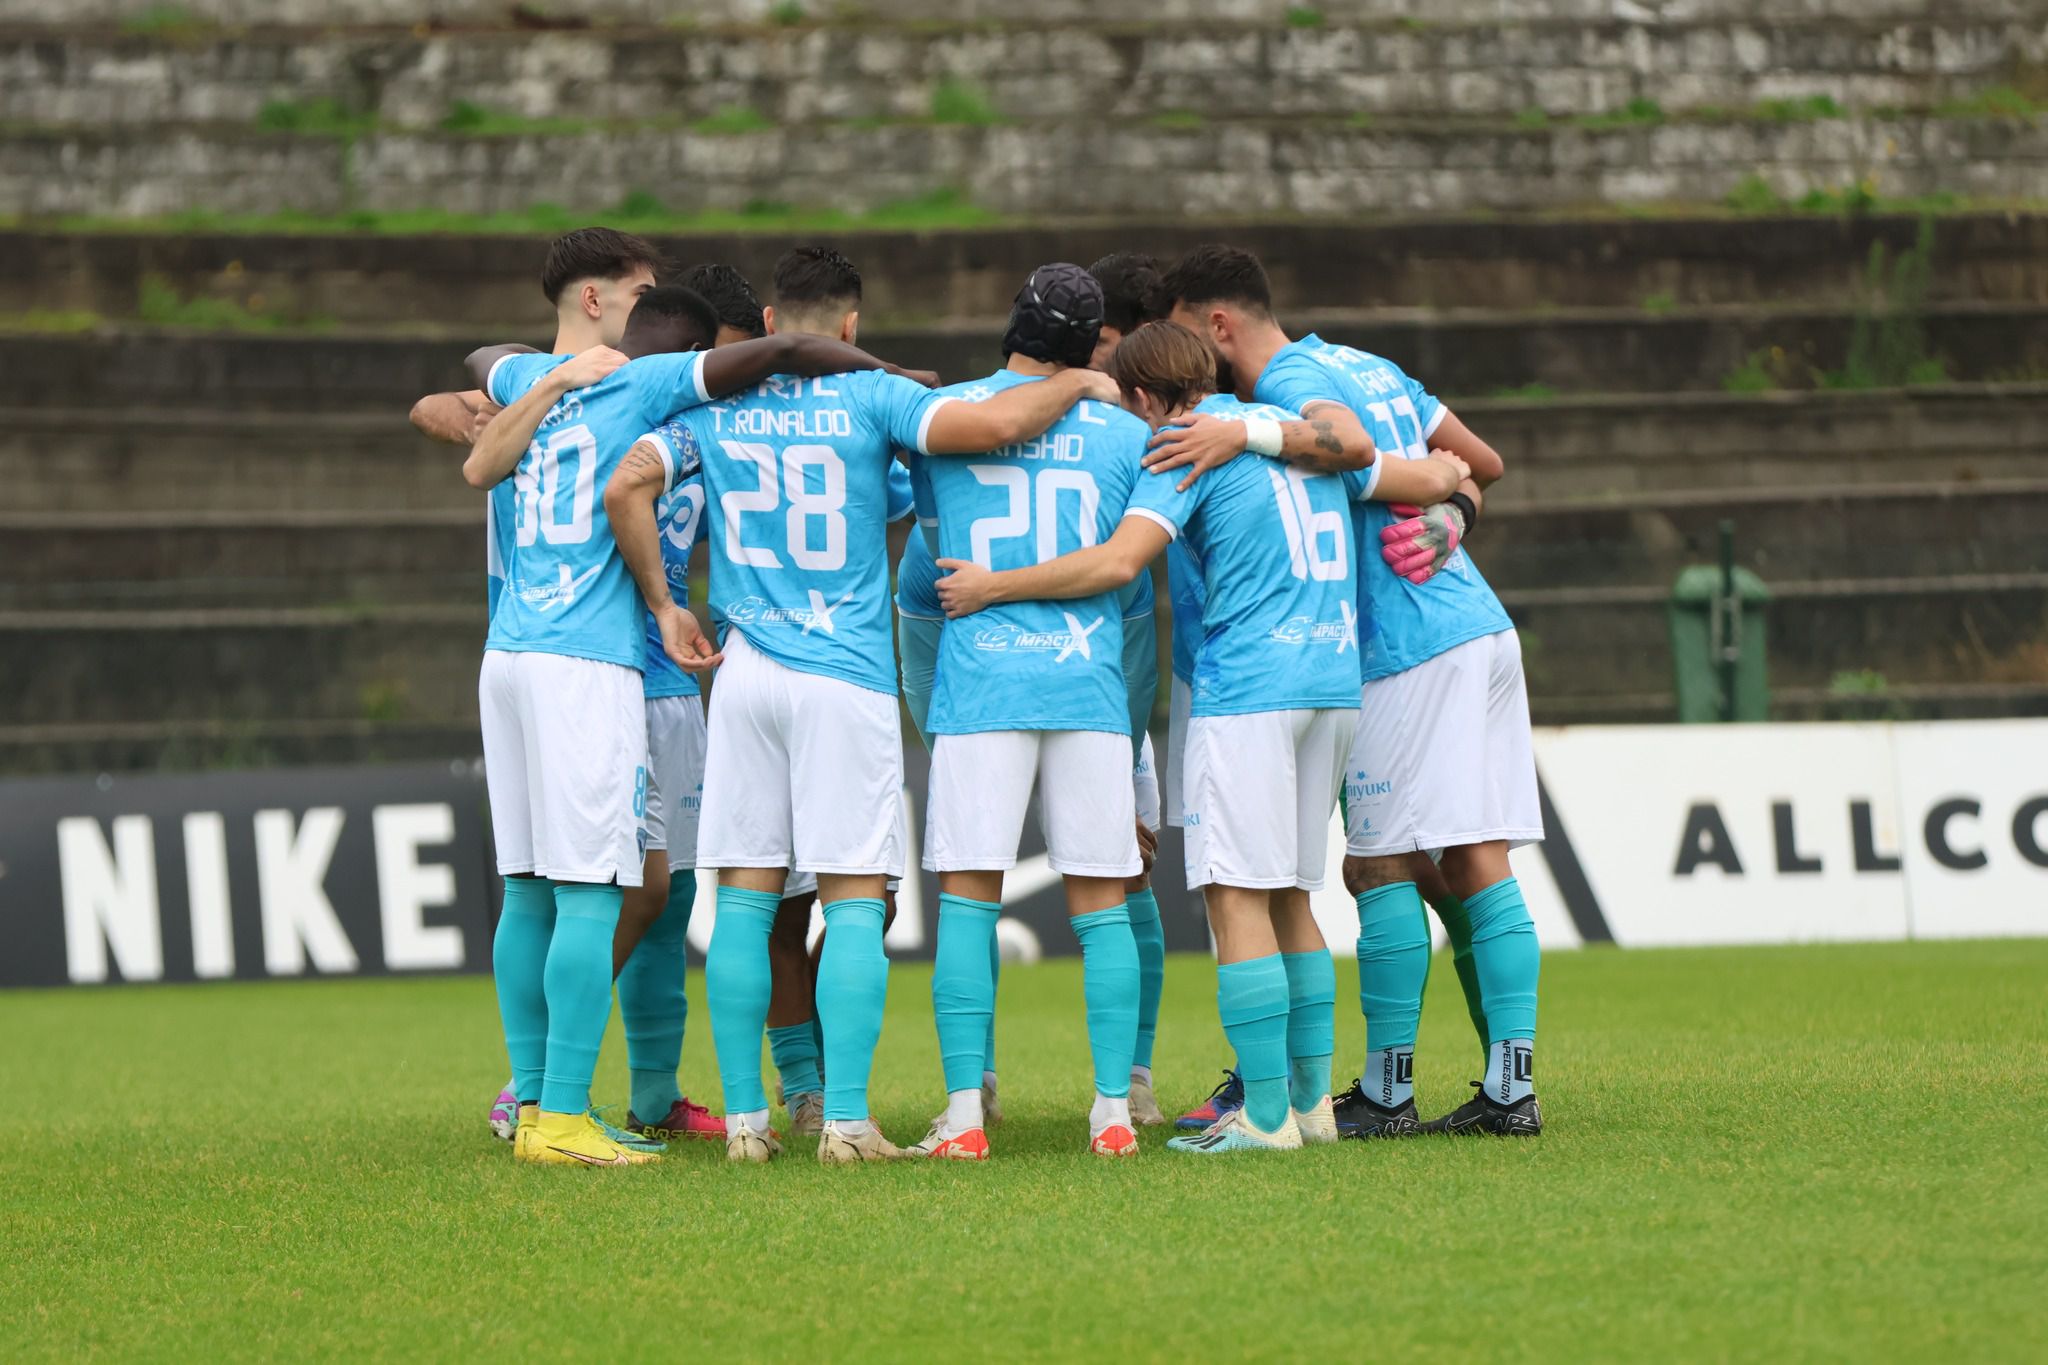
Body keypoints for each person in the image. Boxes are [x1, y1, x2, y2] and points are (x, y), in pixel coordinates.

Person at [603, 246, 1122, 1164]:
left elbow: (626, 486)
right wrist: (1082, 379)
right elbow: (993, 423)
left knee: (745, 900)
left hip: (747, 670)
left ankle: (750, 1124)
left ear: (767, 326)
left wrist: (665, 601)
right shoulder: (875, 398)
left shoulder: (711, 408)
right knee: (850, 900)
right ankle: (845, 1121)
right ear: (850, 328)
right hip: (843, 672)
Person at [937, 322, 1467, 1153]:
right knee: (1293, 894)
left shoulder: (1187, 448)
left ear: (1146, 398)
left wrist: (993, 585)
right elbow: (1421, 469)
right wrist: (1454, 485)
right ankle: (1311, 1105)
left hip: (1251, 694)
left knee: (1236, 896)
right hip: (1333, 684)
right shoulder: (1305, 439)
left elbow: (1118, 564)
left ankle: (1262, 1117)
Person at [465, 284, 918, 1167]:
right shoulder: (667, 397)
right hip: (624, 668)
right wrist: (884, 375)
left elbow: (460, 387)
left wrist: (520, 397)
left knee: (670, 893)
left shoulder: (596, 399)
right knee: (615, 886)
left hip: (659, 676)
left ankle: (654, 1092)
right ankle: (544, 1098)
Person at [1154, 244, 1544, 1137]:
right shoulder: (1367, 361)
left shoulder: (1286, 385)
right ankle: (1510, 1086)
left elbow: (1354, 453)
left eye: (1185, 336)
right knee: (1476, 854)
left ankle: (1387, 1091)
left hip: (1403, 643)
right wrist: (1461, 508)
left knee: (1375, 863)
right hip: (1477, 621)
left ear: (1217, 325)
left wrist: (1244, 431)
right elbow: (1480, 459)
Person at [905, 264, 1148, 1162]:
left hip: (982, 686)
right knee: (1103, 906)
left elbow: (929, 541)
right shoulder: (1125, 433)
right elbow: (1133, 569)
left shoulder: (951, 418)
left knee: (968, 903)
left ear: (1012, 323)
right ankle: (1114, 1110)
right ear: (1091, 347)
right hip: (1088, 685)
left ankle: (965, 1115)